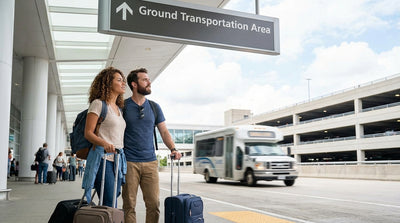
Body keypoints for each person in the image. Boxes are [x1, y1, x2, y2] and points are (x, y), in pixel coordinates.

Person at [122, 68, 181, 223]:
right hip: (129, 162)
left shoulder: (154, 107)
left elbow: (164, 131)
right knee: (129, 205)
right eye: (145, 80)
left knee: (154, 204)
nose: (149, 82)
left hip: (150, 162)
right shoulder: (123, 106)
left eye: (148, 79)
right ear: (134, 84)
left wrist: (173, 148)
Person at [82, 67, 127, 207]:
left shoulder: (118, 108)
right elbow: (88, 132)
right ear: (108, 83)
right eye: (119, 80)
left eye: (123, 80)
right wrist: (104, 143)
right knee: (109, 201)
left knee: (112, 199)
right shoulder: (98, 104)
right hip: (103, 159)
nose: (123, 83)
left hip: (118, 160)